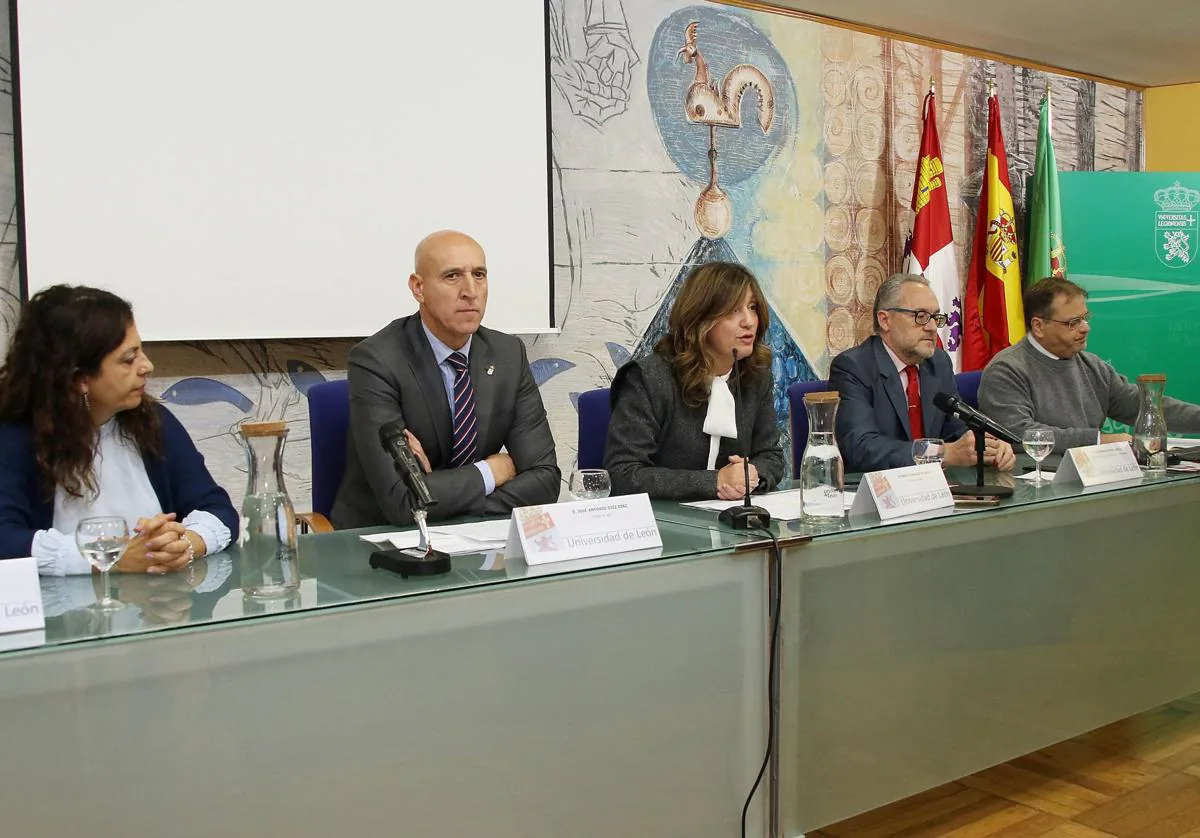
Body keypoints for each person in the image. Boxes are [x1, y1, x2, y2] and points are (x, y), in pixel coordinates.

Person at [0, 285, 238, 575]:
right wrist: (114, 558)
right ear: (79, 379)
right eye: (128, 359)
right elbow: (6, 542)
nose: (147, 366)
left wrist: (184, 544)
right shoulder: (14, 438)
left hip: (159, 610)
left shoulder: (154, 421)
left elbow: (217, 508)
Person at [332, 230, 560, 527]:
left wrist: (443, 498)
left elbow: (545, 480)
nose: (470, 290)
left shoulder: (508, 355)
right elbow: (404, 502)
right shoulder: (377, 361)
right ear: (418, 288)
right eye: (452, 276)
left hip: (476, 543)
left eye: (479, 275)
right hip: (382, 541)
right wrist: (492, 471)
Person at [604, 261, 784, 500]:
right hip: (666, 524)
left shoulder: (755, 375)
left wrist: (750, 475)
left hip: (735, 525)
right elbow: (623, 474)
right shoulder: (648, 379)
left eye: (752, 307)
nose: (749, 321)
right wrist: (714, 482)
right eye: (733, 310)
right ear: (701, 319)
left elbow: (771, 456)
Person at [979, 276, 1200, 453]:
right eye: (1073, 322)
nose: (1085, 328)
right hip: (1034, 485)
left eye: (1085, 318)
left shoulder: (1092, 365)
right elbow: (1018, 434)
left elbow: (1140, 405)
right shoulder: (1006, 370)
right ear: (1038, 326)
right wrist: (1096, 440)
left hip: (1094, 476)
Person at [830, 273, 1016, 474]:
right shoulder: (854, 367)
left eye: (936, 317)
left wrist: (987, 447)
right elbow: (861, 447)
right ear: (885, 320)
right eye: (921, 316)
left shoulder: (938, 362)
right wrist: (941, 453)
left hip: (935, 489)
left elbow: (955, 429)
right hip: (876, 491)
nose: (932, 327)